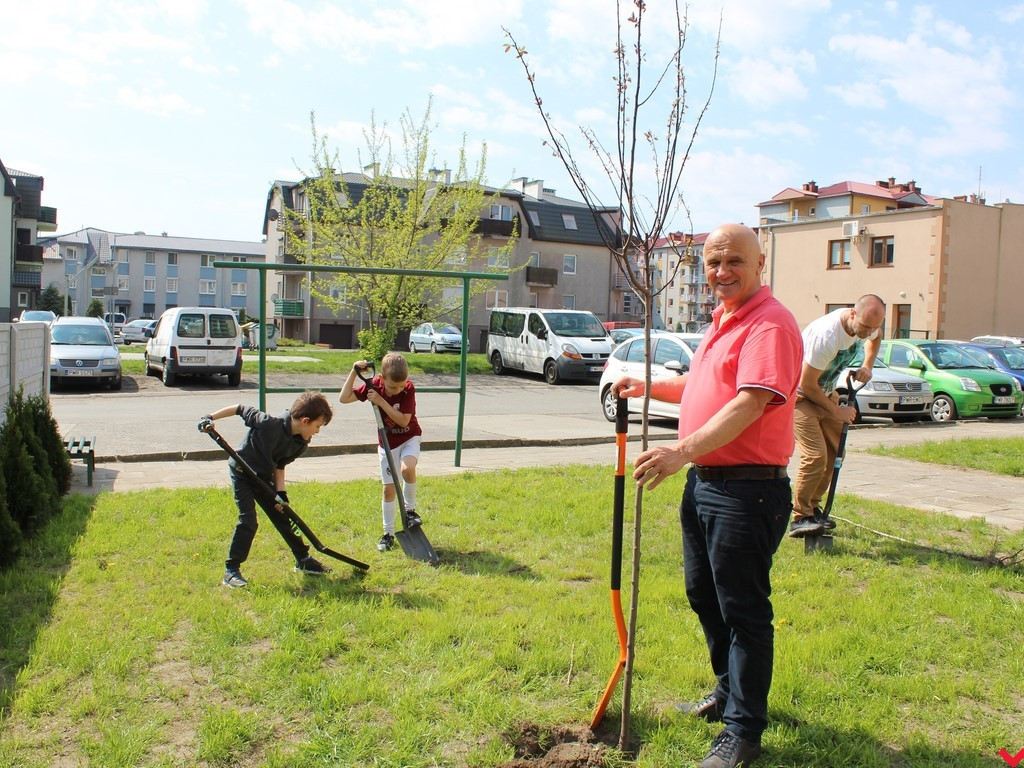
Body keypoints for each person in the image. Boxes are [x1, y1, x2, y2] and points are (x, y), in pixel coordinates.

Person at [614, 224, 802, 768]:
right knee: (704, 594)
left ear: (760, 263)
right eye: (713, 263)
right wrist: (648, 385)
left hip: (747, 490)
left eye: (734, 261)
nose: (721, 272)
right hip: (708, 485)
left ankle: (743, 732)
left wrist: (681, 451)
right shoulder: (722, 320)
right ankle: (728, 692)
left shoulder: (769, 324)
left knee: (743, 610)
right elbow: (704, 388)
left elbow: (750, 403)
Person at [198, 391, 334, 588]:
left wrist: (281, 494)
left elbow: (279, 464)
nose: (317, 432)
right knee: (248, 520)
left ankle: (303, 560)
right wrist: (209, 417)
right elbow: (239, 408)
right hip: (242, 473)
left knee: (283, 515)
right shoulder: (267, 423)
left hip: (263, 478)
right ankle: (231, 570)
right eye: (318, 426)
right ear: (305, 421)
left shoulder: (300, 442)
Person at [789, 295, 885, 537]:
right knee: (815, 456)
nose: (868, 333)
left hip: (825, 392)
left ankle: (813, 509)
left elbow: (877, 337)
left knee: (835, 453)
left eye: (873, 327)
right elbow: (807, 384)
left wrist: (868, 365)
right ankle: (800, 517)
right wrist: (838, 411)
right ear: (853, 314)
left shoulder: (868, 324)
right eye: (865, 327)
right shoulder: (827, 337)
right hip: (799, 396)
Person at [340, 352, 423, 552]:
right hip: (387, 444)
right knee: (388, 489)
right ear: (381, 378)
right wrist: (354, 372)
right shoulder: (373, 386)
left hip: (409, 437)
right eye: (393, 387)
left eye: (401, 385)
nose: (398, 390)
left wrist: (380, 401)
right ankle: (388, 534)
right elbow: (344, 398)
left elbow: (403, 420)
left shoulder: (408, 389)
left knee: (407, 468)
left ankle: (410, 511)